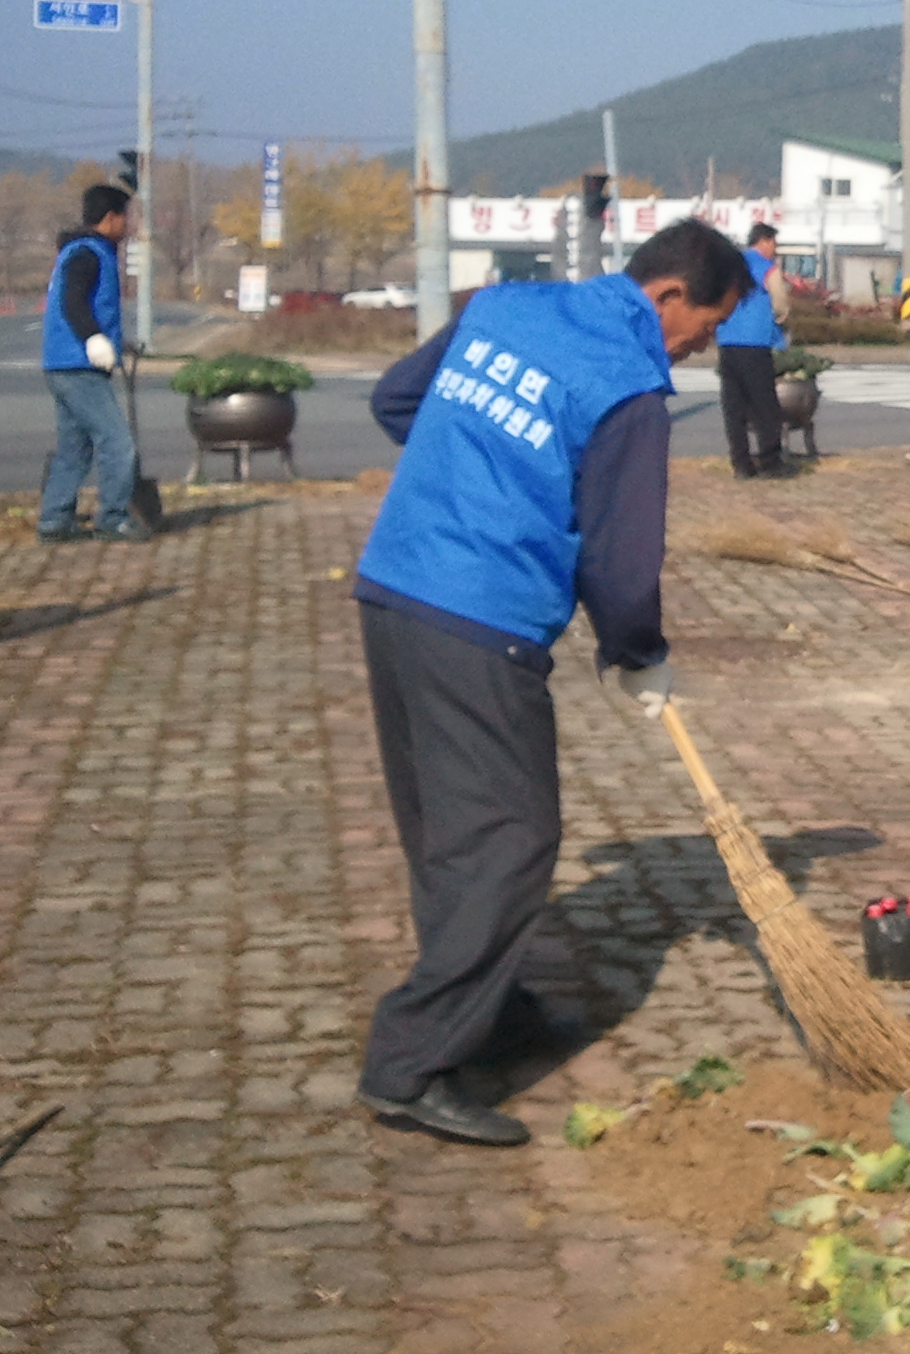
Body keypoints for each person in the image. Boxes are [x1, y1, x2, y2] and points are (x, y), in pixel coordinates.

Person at [348, 217, 748, 1147]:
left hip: (394, 586)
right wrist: (637, 651)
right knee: (511, 836)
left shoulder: (506, 305)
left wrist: (481, 474)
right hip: (479, 619)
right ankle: (410, 1063)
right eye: (709, 325)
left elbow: (399, 398)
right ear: (669, 297)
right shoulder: (629, 386)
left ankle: (483, 1010)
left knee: (449, 826)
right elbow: (620, 560)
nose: (701, 348)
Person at [38, 183, 151, 544]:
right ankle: (112, 517)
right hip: (78, 365)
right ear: (110, 218)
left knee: (75, 448)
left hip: (62, 363)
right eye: (126, 218)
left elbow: (91, 306)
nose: (128, 226)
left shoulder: (82, 250)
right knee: (118, 443)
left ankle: (54, 521)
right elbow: (74, 304)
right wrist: (94, 339)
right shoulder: (87, 254)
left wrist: (118, 342)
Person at [714, 221, 794, 478]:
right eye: (774, 244)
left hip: (727, 341)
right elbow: (780, 299)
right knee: (764, 405)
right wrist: (782, 321)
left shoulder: (729, 267)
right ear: (766, 241)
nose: (775, 250)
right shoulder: (767, 268)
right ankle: (770, 461)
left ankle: (741, 463)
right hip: (756, 342)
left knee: (734, 405)